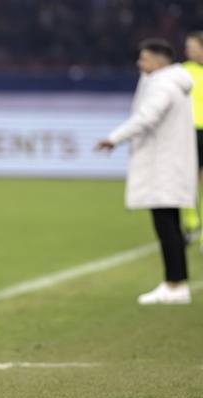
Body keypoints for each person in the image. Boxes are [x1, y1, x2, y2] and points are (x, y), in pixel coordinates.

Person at [95, 39, 197, 305]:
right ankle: (176, 283)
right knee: (170, 226)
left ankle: (175, 284)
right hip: (169, 163)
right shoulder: (170, 82)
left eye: (144, 59)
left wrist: (114, 138)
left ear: (158, 62)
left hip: (163, 165)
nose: (140, 64)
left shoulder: (163, 86)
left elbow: (146, 117)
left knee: (166, 228)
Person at [181, 31, 203, 250]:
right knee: (187, 179)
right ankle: (191, 223)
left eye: (192, 46)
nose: (188, 50)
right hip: (188, 131)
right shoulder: (182, 71)